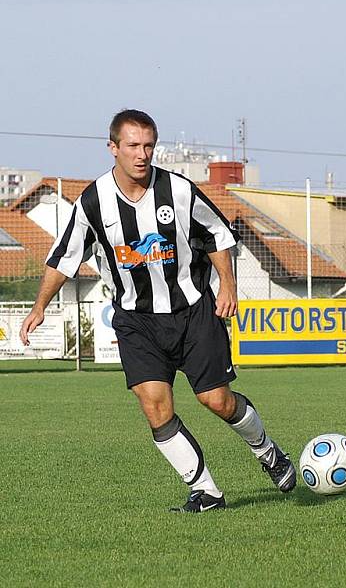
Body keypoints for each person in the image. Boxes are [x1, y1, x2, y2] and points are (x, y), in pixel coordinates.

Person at [20, 109, 296, 512]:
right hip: (135, 320)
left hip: (193, 312)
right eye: (133, 145)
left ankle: (267, 450)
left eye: (149, 145)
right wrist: (39, 307)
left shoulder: (178, 192)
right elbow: (63, 258)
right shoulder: (94, 201)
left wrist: (228, 287)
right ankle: (206, 492)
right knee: (154, 404)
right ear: (112, 148)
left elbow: (218, 234)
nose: (142, 154)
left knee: (216, 400)